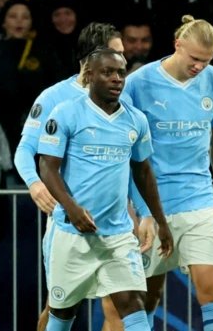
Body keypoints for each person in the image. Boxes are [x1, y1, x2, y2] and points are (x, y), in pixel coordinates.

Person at [13, 22, 157, 331]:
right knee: (61, 307)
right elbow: (25, 150)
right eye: (116, 54)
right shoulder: (55, 98)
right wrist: (35, 184)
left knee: (121, 304)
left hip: (115, 225)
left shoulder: (122, 101)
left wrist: (144, 213)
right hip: (69, 221)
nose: (122, 64)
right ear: (93, 59)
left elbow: (131, 165)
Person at [37, 48, 173, 331]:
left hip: (118, 236)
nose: (117, 79)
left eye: (121, 73)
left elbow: (143, 172)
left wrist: (160, 221)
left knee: (134, 305)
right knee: (61, 314)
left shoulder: (136, 120)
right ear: (89, 76)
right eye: (108, 72)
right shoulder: (66, 113)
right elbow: (47, 168)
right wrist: (71, 209)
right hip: (73, 235)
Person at [117, 15, 213, 331]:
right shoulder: (137, 84)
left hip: (199, 200)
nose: (200, 67)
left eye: (206, 61)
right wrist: (132, 210)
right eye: (195, 59)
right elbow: (124, 152)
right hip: (152, 207)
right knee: (144, 301)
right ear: (177, 45)